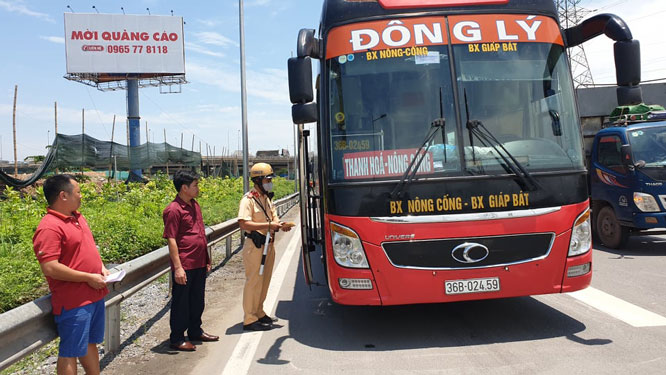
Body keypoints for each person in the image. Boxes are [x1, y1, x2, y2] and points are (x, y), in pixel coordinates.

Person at [32, 174, 109, 375]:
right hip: (74, 301)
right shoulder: (49, 227)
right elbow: (50, 267)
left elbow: (87, 248)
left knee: (90, 343)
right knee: (70, 352)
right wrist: (87, 277)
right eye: (78, 192)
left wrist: (100, 266)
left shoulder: (77, 217)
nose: (81, 196)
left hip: (94, 295)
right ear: (63, 195)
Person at [163, 170, 218, 351]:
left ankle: (195, 330)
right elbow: (171, 239)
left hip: (199, 262)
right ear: (184, 188)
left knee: (197, 300)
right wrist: (178, 268)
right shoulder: (173, 210)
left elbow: (200, 234)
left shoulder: (195, 205)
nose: (198, 188)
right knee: (181, 303)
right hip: (185, 264)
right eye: (195, 185)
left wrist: (207, 259)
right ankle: (177, 338)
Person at [238, 163, 292, 331]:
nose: (270, 182)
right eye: (268, 179)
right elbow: (243, 223)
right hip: (255, 245)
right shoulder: (248, 200)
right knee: (254, 281)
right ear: (258, 180)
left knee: (265, 280)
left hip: (269, 244)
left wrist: (281, 225)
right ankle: (249, 319)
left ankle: (259, 312)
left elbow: (273, 219)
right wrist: (269, 226)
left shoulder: (267, 198)